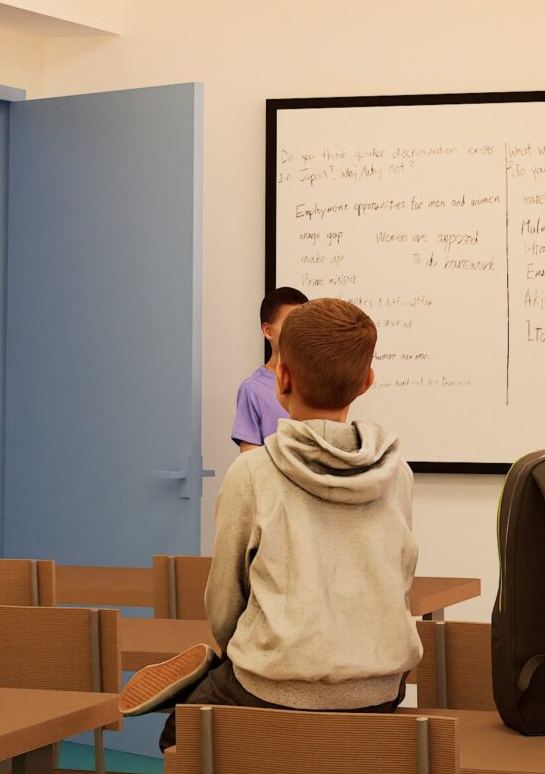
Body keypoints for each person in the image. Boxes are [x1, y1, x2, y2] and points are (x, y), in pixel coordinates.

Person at [120, 298, 422, 744]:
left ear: (281, 377)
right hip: (379, 689)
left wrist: (242, 652)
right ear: (367, 382)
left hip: (271, 687)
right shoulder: (398, 475)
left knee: (177, 738)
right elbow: (401, 578)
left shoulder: (252, 472)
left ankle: (207, 680)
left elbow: (225, 600)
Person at [233, 287, 307, 451]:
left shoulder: (317, 380)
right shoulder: (253, 389)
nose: (299, 332)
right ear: (268, 331)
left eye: (304, 324)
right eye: (290, 324)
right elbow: (249, 460)